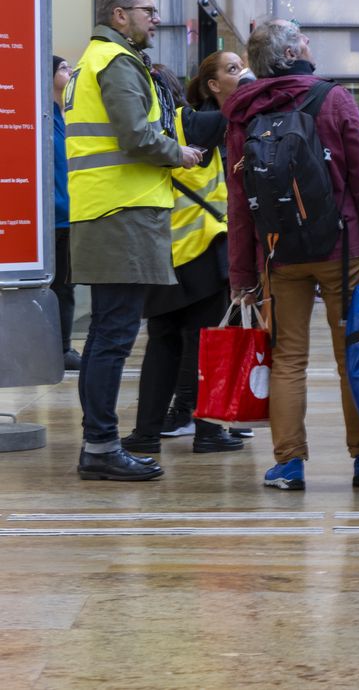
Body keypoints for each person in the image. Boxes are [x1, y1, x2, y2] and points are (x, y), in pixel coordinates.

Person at [223, 19, 359, 491]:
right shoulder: (332, 98)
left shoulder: (243, 112)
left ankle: (289, 464)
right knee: (352, 357)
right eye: (303, 39)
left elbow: (239, 203)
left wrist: (242, 273)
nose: (310, 44)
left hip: (278, 254)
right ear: (292, 50)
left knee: (287, 360)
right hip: (344, 250)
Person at [65, 0, 204, 481]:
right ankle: (100, 447)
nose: (155, 18)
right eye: (147, 10)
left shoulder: (91, 61)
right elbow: (136, 136)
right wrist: (181, 154)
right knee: (114, 337)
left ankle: (98, 444)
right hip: (121, 212)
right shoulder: (116, 61)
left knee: (107, 334)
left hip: (107, 209)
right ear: (119, 16)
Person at [120, 61, 243, 456]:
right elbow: (235, 113)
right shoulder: (197, 123)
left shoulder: (137, 135)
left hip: (160, 251)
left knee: (161, 344)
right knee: (207, 345)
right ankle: (207, 432)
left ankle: (146, 433)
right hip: (204, 250)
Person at [50, 55, 81, 371]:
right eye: (63, 68)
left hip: (70, 213)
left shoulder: (67, 114)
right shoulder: (43, 116)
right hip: (50, 216)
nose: (69, 72)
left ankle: (62, 348)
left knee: (65, 286)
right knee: (53, 286)